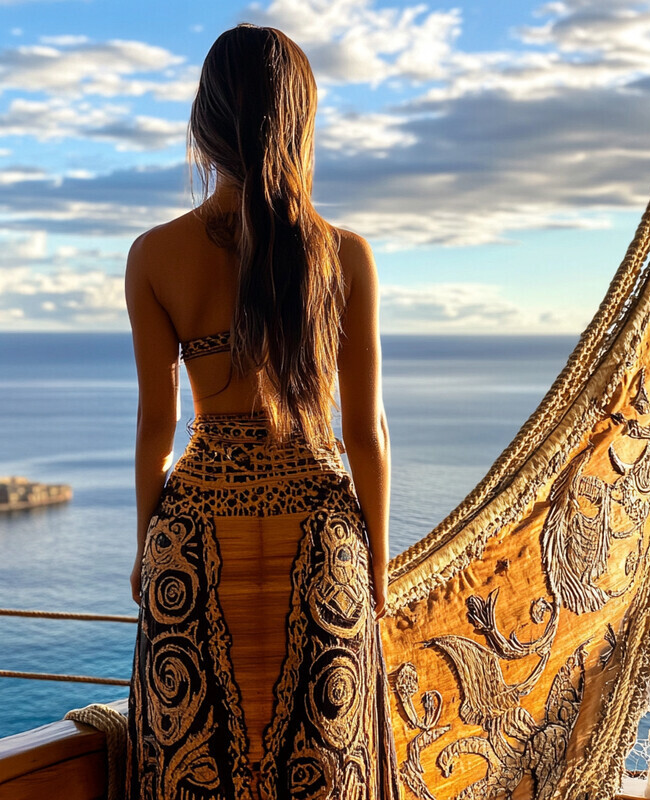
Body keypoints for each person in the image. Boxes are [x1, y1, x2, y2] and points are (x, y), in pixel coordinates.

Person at [124, 23, 400, 800]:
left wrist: (146, 549)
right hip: (321, 546)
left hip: (193, 539)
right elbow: (365, 433)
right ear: (301, 121)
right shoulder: (342, 255)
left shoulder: (153, 256)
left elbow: (156, 428)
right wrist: (375, 564)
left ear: (203, 126)